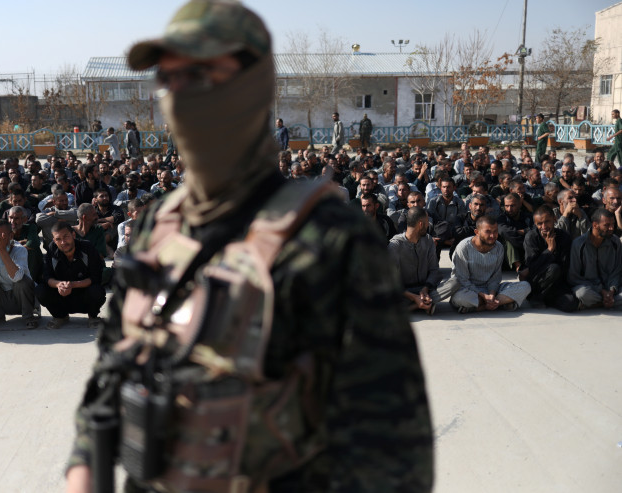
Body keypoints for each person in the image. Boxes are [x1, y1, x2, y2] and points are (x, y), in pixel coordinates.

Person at [66, 2, 433, 493]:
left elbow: (395, 453)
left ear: (252, 86)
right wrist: (84, 470)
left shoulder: (330, 239)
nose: (180, 95)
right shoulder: (157, 224)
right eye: (169, 78)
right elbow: (111, 367)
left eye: (201, 75)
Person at [450, 215, 531, 313]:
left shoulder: (499, 247)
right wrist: (483, 295)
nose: (492, 236)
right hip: (468, 290)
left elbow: (495, 278)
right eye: (488, 232)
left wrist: (491, 294)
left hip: (490, 290)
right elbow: (462, 279)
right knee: (459, 298)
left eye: (495, 231)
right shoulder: (464, 247)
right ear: (477, 232)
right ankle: (500, 303)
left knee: (525, 286)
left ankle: (482, 306)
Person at [36, 221, 106, 330]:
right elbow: (46, 276)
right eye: (58, 239)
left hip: (84, 296)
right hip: (61, 296)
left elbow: (96, 277)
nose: (63, 242)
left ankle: (93, 317)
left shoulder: (87, 247)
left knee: (97, 291)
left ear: (73, 235)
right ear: (54, 240)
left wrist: (72, 285)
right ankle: (60, 316)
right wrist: (59, 285)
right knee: (40, 290)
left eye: (66, 237)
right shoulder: (52, 249)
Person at [388, 207, 457, 314]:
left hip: (426, 290)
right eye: (427, 222)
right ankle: (419, 305)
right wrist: (414, 297)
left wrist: (425, 289)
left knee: (455, 282)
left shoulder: (428, 240)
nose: (428, 225)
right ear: (421, 224)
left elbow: (434, 270)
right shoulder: (395, 245)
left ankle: (421, 303)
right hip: (403, 293)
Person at [520, 205, 576, 311]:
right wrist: (549, 250)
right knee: (554, 268)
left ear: (554, 219)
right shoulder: (531, 237)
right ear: (535, 224)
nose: (544, 226)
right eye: (539, 223)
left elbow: (565, 266)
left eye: (547, 221)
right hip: (538, 281)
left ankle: (547, 298)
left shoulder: (563, 237)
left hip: (557, 283)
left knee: (571, 304)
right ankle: (536, 297)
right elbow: (532, 267)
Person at [567, 208, 622, 310]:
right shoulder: (578, 244)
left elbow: (617, 271)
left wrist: (611, 291)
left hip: (611, 288)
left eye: (613, 224)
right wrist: (601, 291)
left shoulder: (615, 242)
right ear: (595, 225)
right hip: (590, 289)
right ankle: (607, 302)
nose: (611, 228)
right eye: (607, 225)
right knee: (582, 294)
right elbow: (574, 277)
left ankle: (601, 302)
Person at [497, 192, 533, 273]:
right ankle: (518, 267)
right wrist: (523, 232)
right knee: (508, 239)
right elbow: (503, 231)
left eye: (512, 206)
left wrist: (525, 231)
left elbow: (535, 230)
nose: (509, 209)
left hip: (527, 250)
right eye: (507, 206)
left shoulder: (527, 217)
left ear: (520, 204)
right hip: (508, 255)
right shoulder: (501, 219)